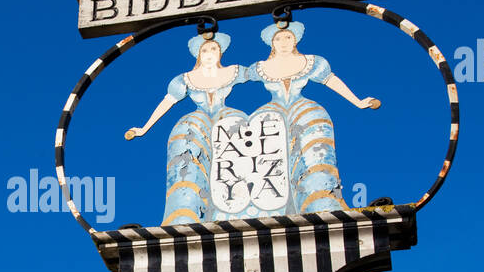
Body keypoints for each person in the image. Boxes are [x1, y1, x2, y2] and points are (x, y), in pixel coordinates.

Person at [246, 22, 380, 213]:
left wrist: (358, 102)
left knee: (315, 157)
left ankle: (323, 202)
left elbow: (331, 80)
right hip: (271, 116)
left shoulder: (312, 62)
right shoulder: (258, 68)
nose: (283, 42)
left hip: (305, 112)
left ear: (295, 40)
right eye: (278, 38)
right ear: (271, 43)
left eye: (288, 37)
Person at [124, 33, 249, 224]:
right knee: (186, 152)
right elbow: (168, 101)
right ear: (198, 54)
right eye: (205, 50)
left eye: (214, 49)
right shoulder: (185, 79)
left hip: (227, 118)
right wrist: (144, 128)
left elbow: (264, 73)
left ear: (221, 52)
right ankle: (184, 213)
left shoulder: (234, 71)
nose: (209, 53)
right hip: (196, 122)